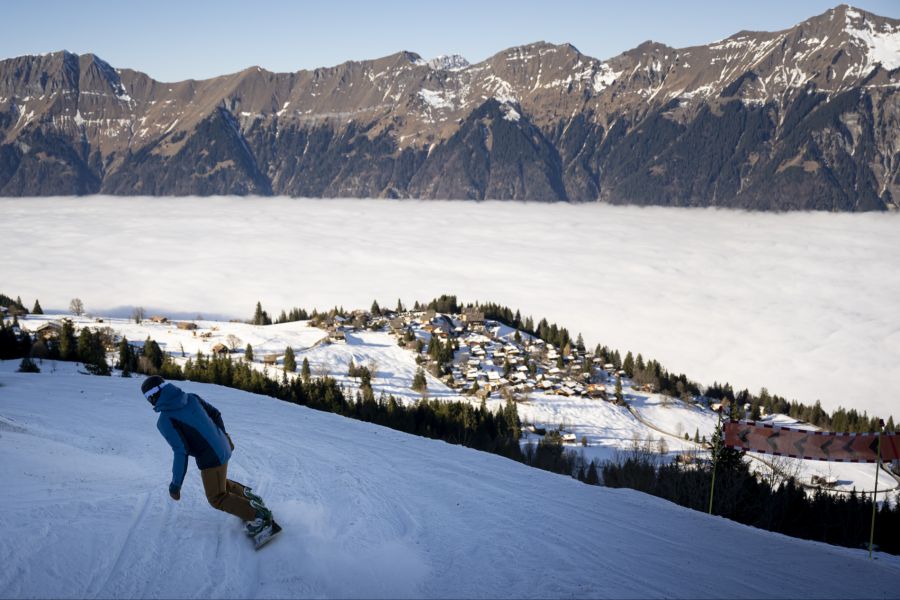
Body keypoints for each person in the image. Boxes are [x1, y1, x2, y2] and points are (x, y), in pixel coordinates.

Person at [141, 375, 273, 536]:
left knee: (216, 496)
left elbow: (180, 451)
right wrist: (224, 436)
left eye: (148, 398)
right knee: (219, 482)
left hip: (210, 457)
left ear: (153, 396)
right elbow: (215, 414)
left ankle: (260, 517)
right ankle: (248, 496)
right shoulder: (191, 397)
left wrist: (175, 485)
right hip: (223, 446)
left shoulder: (165, 420)